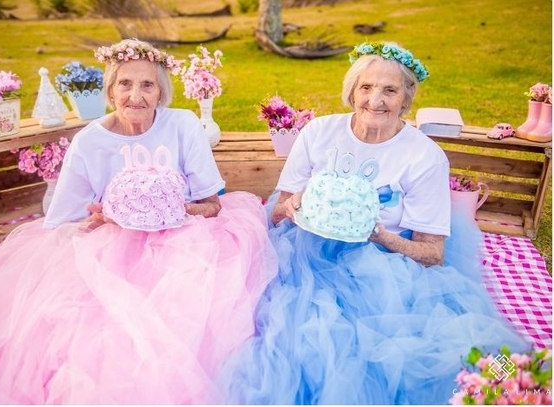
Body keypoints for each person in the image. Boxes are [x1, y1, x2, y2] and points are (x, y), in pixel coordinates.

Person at [0, 38, 278, 404]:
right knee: (93, 329)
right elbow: (64, 221)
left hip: (186, 242)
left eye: (147, 85)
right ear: (110, 90)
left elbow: (213, 204)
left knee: (190, 314)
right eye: (125, 84)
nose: (136, 95)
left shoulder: (183, 125)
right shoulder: (89, 142)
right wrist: (101, 217)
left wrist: (171, 211)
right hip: (112, 245)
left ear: (161, 92)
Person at [215, 41, 530, 404]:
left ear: (406, 99)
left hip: (384, 265)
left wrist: (380, 236)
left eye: (390, 90)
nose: (375, 100)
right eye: (366, 87)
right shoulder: (319, 133)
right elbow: (277, 211)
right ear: (352, 92)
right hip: (304, 252)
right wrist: (293, 205)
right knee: (276, 329)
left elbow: (433, 253)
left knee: (391, 351)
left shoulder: (424, 156)